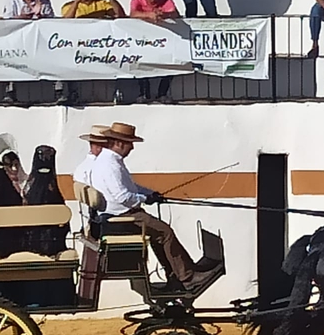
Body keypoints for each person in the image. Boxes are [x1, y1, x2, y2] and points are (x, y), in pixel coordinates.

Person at [73, 123, 221, 291]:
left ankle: (175, 276)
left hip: (115, 214)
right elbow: (124, 197)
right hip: (122, 217)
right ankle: (188, 277)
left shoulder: (108, 161)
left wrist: (151, 193)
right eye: (130, 143)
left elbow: (130, 187)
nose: (132, 148)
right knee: (165, 233)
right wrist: (145, 199)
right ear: (120, 143)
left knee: (159, 234)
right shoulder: (110, 165)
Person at [2, 0, 55, 105]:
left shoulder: (45, 2)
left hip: (41, 42)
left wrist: (42, 18)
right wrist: (20, 18)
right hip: (18, 42)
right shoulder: (12, 1)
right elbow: (5, 23)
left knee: (55, 56)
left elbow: (52, 23)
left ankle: (59, 90)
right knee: (11, 59)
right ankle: (10, 92)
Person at [129, 0, 179, 103]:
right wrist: (148, 15)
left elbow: (175, 14)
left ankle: (162, 93)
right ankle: (144, 93)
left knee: (172, 63)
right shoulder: (137, 0)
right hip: (142, 40)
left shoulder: (166, 0)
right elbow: (132, 14)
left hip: (164, 40)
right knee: (140, 63)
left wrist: (164, 15)